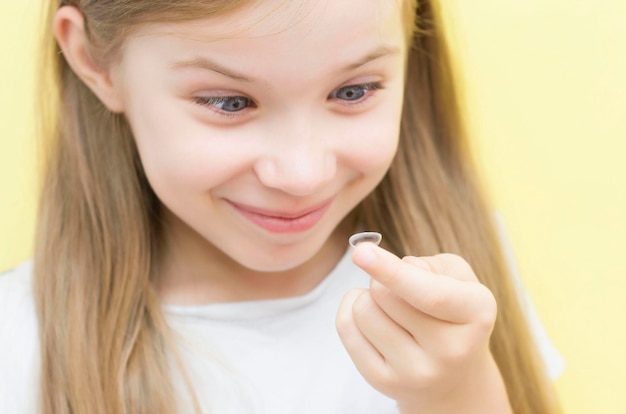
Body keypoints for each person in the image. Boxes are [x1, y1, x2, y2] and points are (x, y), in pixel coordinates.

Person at [0, 0, 562, 413]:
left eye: (352, 91)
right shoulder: (18, 346)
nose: (301, 175)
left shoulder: (454, 283)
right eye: (229, 101)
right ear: (93, 59)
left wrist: (456, 394)